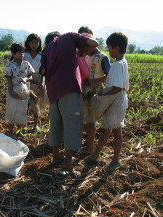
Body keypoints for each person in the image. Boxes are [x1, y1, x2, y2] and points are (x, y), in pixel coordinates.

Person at [40, 32, 98, 175]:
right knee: (72, 124)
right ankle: (68, 162)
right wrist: (83, 50)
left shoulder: (46, 50)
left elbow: (43, 71)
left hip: (53, 91)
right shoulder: (70, 37)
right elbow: (94, 43)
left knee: (56, 123)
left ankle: (55, 156)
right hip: (70, 88)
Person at [85, 32, 129, 171]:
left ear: (117, 47)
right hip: (116, 99)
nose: (109, 51)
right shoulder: (122, 62)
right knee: (107, 129)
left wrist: (102, 97)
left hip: (115, 100)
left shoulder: (117, 65)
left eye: (110, 48)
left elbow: (117, 88)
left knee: (116, 130)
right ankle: (96, 154)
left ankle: (115, 160)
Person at [78, 26, 111, 154]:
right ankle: (89, 142)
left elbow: (109, 75)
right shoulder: (82, 56)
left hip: (94, 92)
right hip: (83, 90)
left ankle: (90, 147)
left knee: (90, 121)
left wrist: (95, 81)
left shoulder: (102, 57)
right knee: (86, 120)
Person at [5, 43, 34, 135]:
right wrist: (11, 91)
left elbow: (31, 76)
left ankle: (19, 131)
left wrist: (26, 79)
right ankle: (10, 131)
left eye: (23, 52)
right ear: (13, 53)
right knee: (12, 110)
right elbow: (9, 78)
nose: (22, 54)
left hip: (24, 91)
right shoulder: (9, 64)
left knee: (22, 110)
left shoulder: (26, 64)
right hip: (13, 90)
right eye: (19, 52)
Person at [24, 33, 47, 132]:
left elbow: (43, 71)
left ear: (39, 44)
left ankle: (35, 126)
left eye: (36, 43)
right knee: (26, 104)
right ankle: (24, 125)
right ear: (28, 43)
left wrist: (42, 82)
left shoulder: (41, 56)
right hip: (26, 79)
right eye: (32, 43)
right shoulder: (25, 55)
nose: (34, 45)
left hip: (38, 80)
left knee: (36, 104)